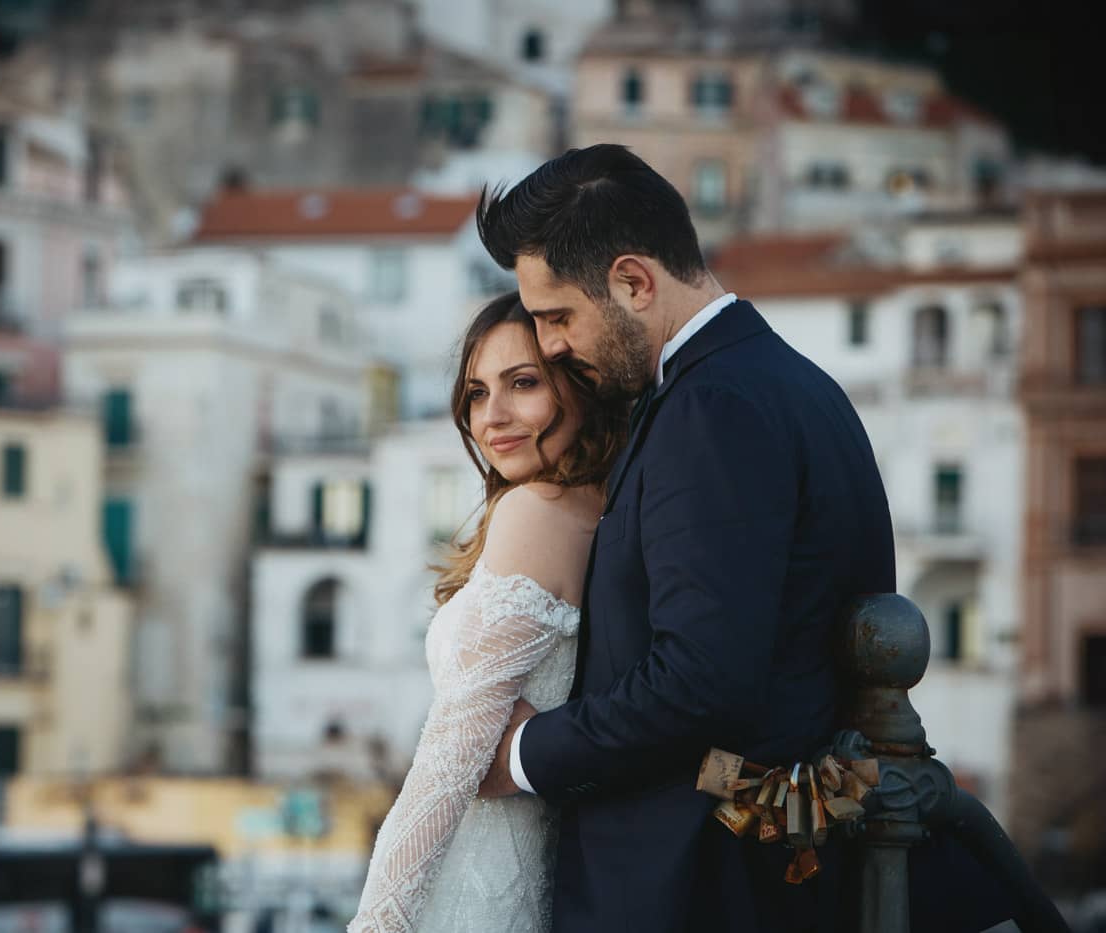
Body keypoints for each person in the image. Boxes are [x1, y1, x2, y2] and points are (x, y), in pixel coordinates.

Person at [473, 144, 1015, 932]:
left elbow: (700, 680)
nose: (550, 344)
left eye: (558, 317)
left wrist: (524, 752)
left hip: (701, 884)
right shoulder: (798, 385)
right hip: (773, 863)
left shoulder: (710, 411)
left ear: (633, 281)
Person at [348, 293, 628, 933]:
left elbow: (447, 765)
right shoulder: (599, 510)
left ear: (581, 388)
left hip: (469, 885)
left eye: (522, 384)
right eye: (476, 393)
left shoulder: (537, 512)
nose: (491, 417)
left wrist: (377, 923)